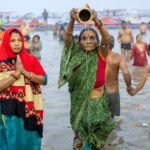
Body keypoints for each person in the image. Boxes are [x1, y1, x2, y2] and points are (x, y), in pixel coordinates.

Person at [58, 7, 115, 150]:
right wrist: (71, 19)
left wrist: (96, 20)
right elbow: (67, 38)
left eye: (92, 38)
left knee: (98, 146)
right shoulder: (75, 58)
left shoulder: (101, 54)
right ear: (79, 43)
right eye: (84, 38)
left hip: (100, 109)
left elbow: (106, 39)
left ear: (97, 42)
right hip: (80, 111)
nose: (88, 40)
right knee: (80, 145)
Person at [0, 28, 47, 150]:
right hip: (7, 111)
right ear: (6, 42)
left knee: (30, 140)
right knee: (10, 141)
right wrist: (15, 75)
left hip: (30, 110)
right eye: (12, 40)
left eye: (19, 40)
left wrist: (25, 73)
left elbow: (44, 80)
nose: (16, 43)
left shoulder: (31, 59)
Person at [105, 35, 132, 118]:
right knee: (111, 120)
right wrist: (129, 87)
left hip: (98, 93)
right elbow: (126, 72)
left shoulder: (96, 56)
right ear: (113, 44)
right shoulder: (119, 57)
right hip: (113, 92)